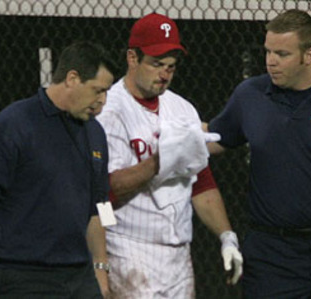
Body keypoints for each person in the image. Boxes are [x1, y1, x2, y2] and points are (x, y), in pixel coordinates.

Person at [96, 13, 243, 299]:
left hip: (178, 254)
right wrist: (159, 163)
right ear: (132, 58)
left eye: (171, 66)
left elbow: (200, 181)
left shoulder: (183, 110)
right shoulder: (109, 111)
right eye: (156, 64)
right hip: (129, 248)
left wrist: (227, 237)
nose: (164, 73)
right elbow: (103, 189)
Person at [206, 9, 311, 298]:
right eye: (268, 51)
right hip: (272, 253)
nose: (271, 61)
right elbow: (213, 139)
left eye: (282, 54)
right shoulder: (250, 94)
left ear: (309, 55)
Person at [0, 41, 116, 298]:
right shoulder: (13, 126)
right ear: (72, 78)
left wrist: (101, 267)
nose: (102, 101)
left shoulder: (95, 133)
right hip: (21, 277)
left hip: (80, 276)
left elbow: (100, 207)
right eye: (97, 91)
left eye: (106, 92)